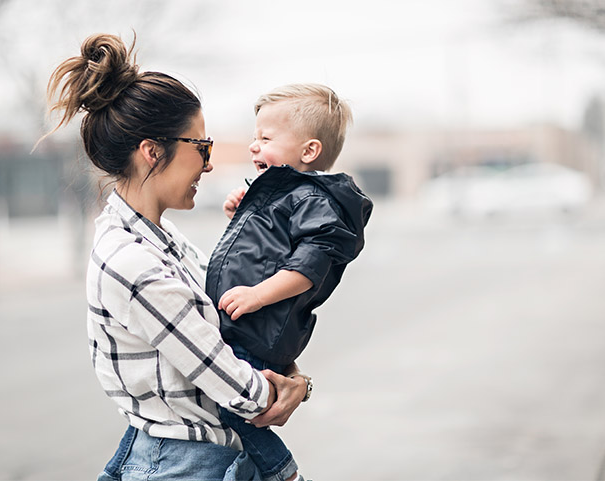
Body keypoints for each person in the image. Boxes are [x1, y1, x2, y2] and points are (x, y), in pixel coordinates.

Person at [44, 33, 308, 481]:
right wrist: (288, 390)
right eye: (200, 147)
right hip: (182, 464)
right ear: (152, 151)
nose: (207, 164)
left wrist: (294, 378)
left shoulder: (161, 239)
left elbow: (233, 327)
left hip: (206, 457)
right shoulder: (130, 260)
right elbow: (229, 378)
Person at [206, 83, 374, 481]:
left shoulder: (311, 200)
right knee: (234, 417)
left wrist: (258, 296)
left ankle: (284, 473)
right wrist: (239, 214)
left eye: (265, 138)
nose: (252, 145)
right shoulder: (282, 196)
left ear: (309, 151)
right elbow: (264, 249)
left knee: (243, 414)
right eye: (253, 136)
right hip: (248, 324)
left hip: (260, 330)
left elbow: (308, 266)